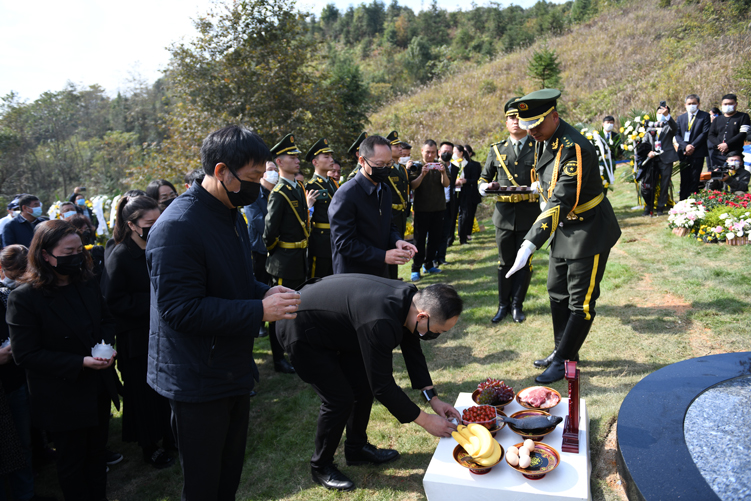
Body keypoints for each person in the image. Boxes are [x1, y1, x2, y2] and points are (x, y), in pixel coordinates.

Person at [145, 125, 301, 500]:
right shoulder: (177, 227)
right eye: (250, 178)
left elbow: (235, 282)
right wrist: (258, 309)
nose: (256, 185)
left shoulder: (231, 212)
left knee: (228, 476)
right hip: (196, 376)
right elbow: (179, 311)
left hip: (229, 365)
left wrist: (268, 293)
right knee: (204, 484)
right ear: (220, 172)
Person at [276, 275, 463, 492]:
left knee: (362, 386)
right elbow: (383, 386)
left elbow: (412, 348)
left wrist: (433, 398)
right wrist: (425, 421)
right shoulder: (380, 322)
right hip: (300, 329)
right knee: (339, 399)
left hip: (339, 327)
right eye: (438, 331)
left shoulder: (411, 300)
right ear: (422, 316)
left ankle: (356, 449)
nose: (436, 336)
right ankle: (320, 466)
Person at [506, 89, 621, 383]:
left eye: (538, 126)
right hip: (561, 227)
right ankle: (562, 350)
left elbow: (561, 200)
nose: (532, 133)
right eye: (528, 127)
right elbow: (546, 181)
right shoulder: (544, 139)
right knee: (557, 290)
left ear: (555, 116)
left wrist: (530, 242)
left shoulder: (574, 147)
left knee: (580, 301)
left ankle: (564, 360)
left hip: (587, 229)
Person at [7, 220, 120, 501]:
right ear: (45, 255)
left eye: (79, 251)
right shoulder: (24, 298)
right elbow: (26, 354)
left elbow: (106, 320)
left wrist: (105, 347)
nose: (77, 258)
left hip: (96, 386)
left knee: (96, 456)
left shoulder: (86, 282)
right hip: (62, 395)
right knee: (72, 462)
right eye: (68, 252)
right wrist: (79, 362)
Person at [101, 194, 175, 469]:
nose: (156, 226)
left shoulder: (160, 246)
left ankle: (170, 436)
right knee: (143, 395)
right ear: (132, 225)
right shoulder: (120, 255)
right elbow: (113, 301)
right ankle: (149, 446)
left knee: (166, 392)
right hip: (137, 337)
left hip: (163, 331)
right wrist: (154, 302)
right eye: (149, 222)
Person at [479, 97, 541, 323]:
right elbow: (484, 178)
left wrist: (540, 185)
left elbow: (548, 175)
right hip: (504, 215)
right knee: (504, 261)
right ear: (505, 122)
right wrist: (485, 187)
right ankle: (502, 305)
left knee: (524, 261)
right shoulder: (497, 149)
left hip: (529, 214)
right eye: (510, 117)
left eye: (518, 117)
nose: (515, 121)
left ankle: (517, 305)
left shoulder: (538, 147)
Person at [264, 133, 316, 374]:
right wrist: (280, 252)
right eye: (291, 157)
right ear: (280, 162)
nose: (297, 160)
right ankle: (279, 358)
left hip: (300, 258)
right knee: (279, 312)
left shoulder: (298, 187)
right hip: (284, 262)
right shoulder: (278, 192)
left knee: (298, 306)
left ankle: (298, 349)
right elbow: (269, 234)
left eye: (297, 156)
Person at [329, 135, 417, 277]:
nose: (385, 169)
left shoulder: (385, 190)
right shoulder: (345, 195)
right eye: (380, 165)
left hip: (380, 271)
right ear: (362, 161)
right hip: (354, 275)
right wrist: (382, 256)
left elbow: (389, 225)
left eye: (389, 165)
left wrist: (397, 241)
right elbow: (345, 244)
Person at [244, 161, 280, 341]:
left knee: (271, 286)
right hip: (259, 248)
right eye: (270, 170)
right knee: (258, 283)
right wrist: (277, 225)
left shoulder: (278, 193)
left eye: (275, 170)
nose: (274, 173)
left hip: (275, 248)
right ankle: (258, 323)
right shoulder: (254, 195)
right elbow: (257, 221)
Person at [409, 140, 450, 281]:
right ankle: (416, 268)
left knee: (435, 239)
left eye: (433, 152)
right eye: (427, 152)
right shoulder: (416, 166)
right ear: (422, 151)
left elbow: (446, 184)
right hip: (421, 209)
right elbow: (413, 186)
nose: (430, 155)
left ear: (437, 152)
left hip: (438, 208)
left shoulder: (441, 165)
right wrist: (422, 174)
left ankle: (429, 264)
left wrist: (443, 172)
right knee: (419, 240)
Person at [635, 105, 679, 216]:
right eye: (659, 113)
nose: (661, 115)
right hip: (653, 159)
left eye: (663, 113)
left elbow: (675, 128)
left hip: (666, 158)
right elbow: (645, 143)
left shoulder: (669, 126)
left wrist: (667, 116)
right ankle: (649, 206)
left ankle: (661, 206)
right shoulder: (650, 127)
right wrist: (648, 152)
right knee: (649, 183)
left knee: (664, 183)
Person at [305, 138, 337, 278]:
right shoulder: (311, 186)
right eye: (326, 157)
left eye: (331, 156)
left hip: (335, 237)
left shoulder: (333, 183)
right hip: (320, 241)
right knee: (318, 277)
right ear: (315, 162)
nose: (331, 160)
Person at [384, 131, 411, 279]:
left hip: (400, 213)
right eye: (396, 146)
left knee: (398, 245)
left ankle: (394, 277)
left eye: (400, 146)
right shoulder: (387, 168)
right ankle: (390, 278)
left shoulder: (401, 168)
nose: (400, 149)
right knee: (390, 247)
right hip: (391, 213)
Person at [675, 94, 711, 200]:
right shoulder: (681, 118)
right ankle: (682, 201)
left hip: (697, 152)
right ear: (685, 105)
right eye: (689, 104)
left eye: (694, 103)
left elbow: (704, 133)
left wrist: (692, 146)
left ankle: (693, 201)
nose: (691, 105)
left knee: (695, 178)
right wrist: (685, 146)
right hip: (684, 153)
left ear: (698, 104)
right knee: (684, 178)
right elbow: (677, 134)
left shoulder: (704, 116)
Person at [708, 94, 751, 167]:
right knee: (718, 177)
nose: (727, 106)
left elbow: (743, 134)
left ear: (736, 104)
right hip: (717, 155)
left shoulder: (743, 116)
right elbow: (711, 135)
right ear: (722, 104)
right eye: (725, 104)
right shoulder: (717, 119)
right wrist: (720, 145)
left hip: (735, 155)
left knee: (735, 177)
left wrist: (727, 144)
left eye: (730, 104)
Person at [436, 141, 459, 266]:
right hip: (435, 205)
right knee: (434, 233)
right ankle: (431, 259)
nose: (447, 153)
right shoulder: (432, 165)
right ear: (439, 152)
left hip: (449, 204)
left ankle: (441, 257)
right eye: (445, 151)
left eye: (450, 152)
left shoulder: (455, 168)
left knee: (445, 233)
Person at [455, 145, 481, 245]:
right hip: (456, 193)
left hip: (468, 193)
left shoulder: (472, 165)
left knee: (467, 214)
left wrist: (465, 181)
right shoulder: (454, 164)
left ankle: (465, 235)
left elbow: (476, 179)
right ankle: (457, 235)